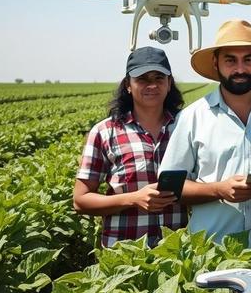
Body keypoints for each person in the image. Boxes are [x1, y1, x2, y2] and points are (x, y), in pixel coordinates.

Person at [158, 19, 251, 270]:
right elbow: (170, 186)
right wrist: (219, 189)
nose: (240, 68)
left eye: (248, 59)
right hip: (212, 259)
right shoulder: (193, 116)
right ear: (216, 63)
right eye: (230, 60)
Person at [74, 46, 186, 248]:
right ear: (128, 85)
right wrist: (133, 199)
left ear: (169, 84)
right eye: (143, 79)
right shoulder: (105, 131)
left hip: (178, 253)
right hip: (124, 254)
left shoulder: (186, 127)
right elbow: (81, 200)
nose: (152, 85)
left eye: (159, 78)